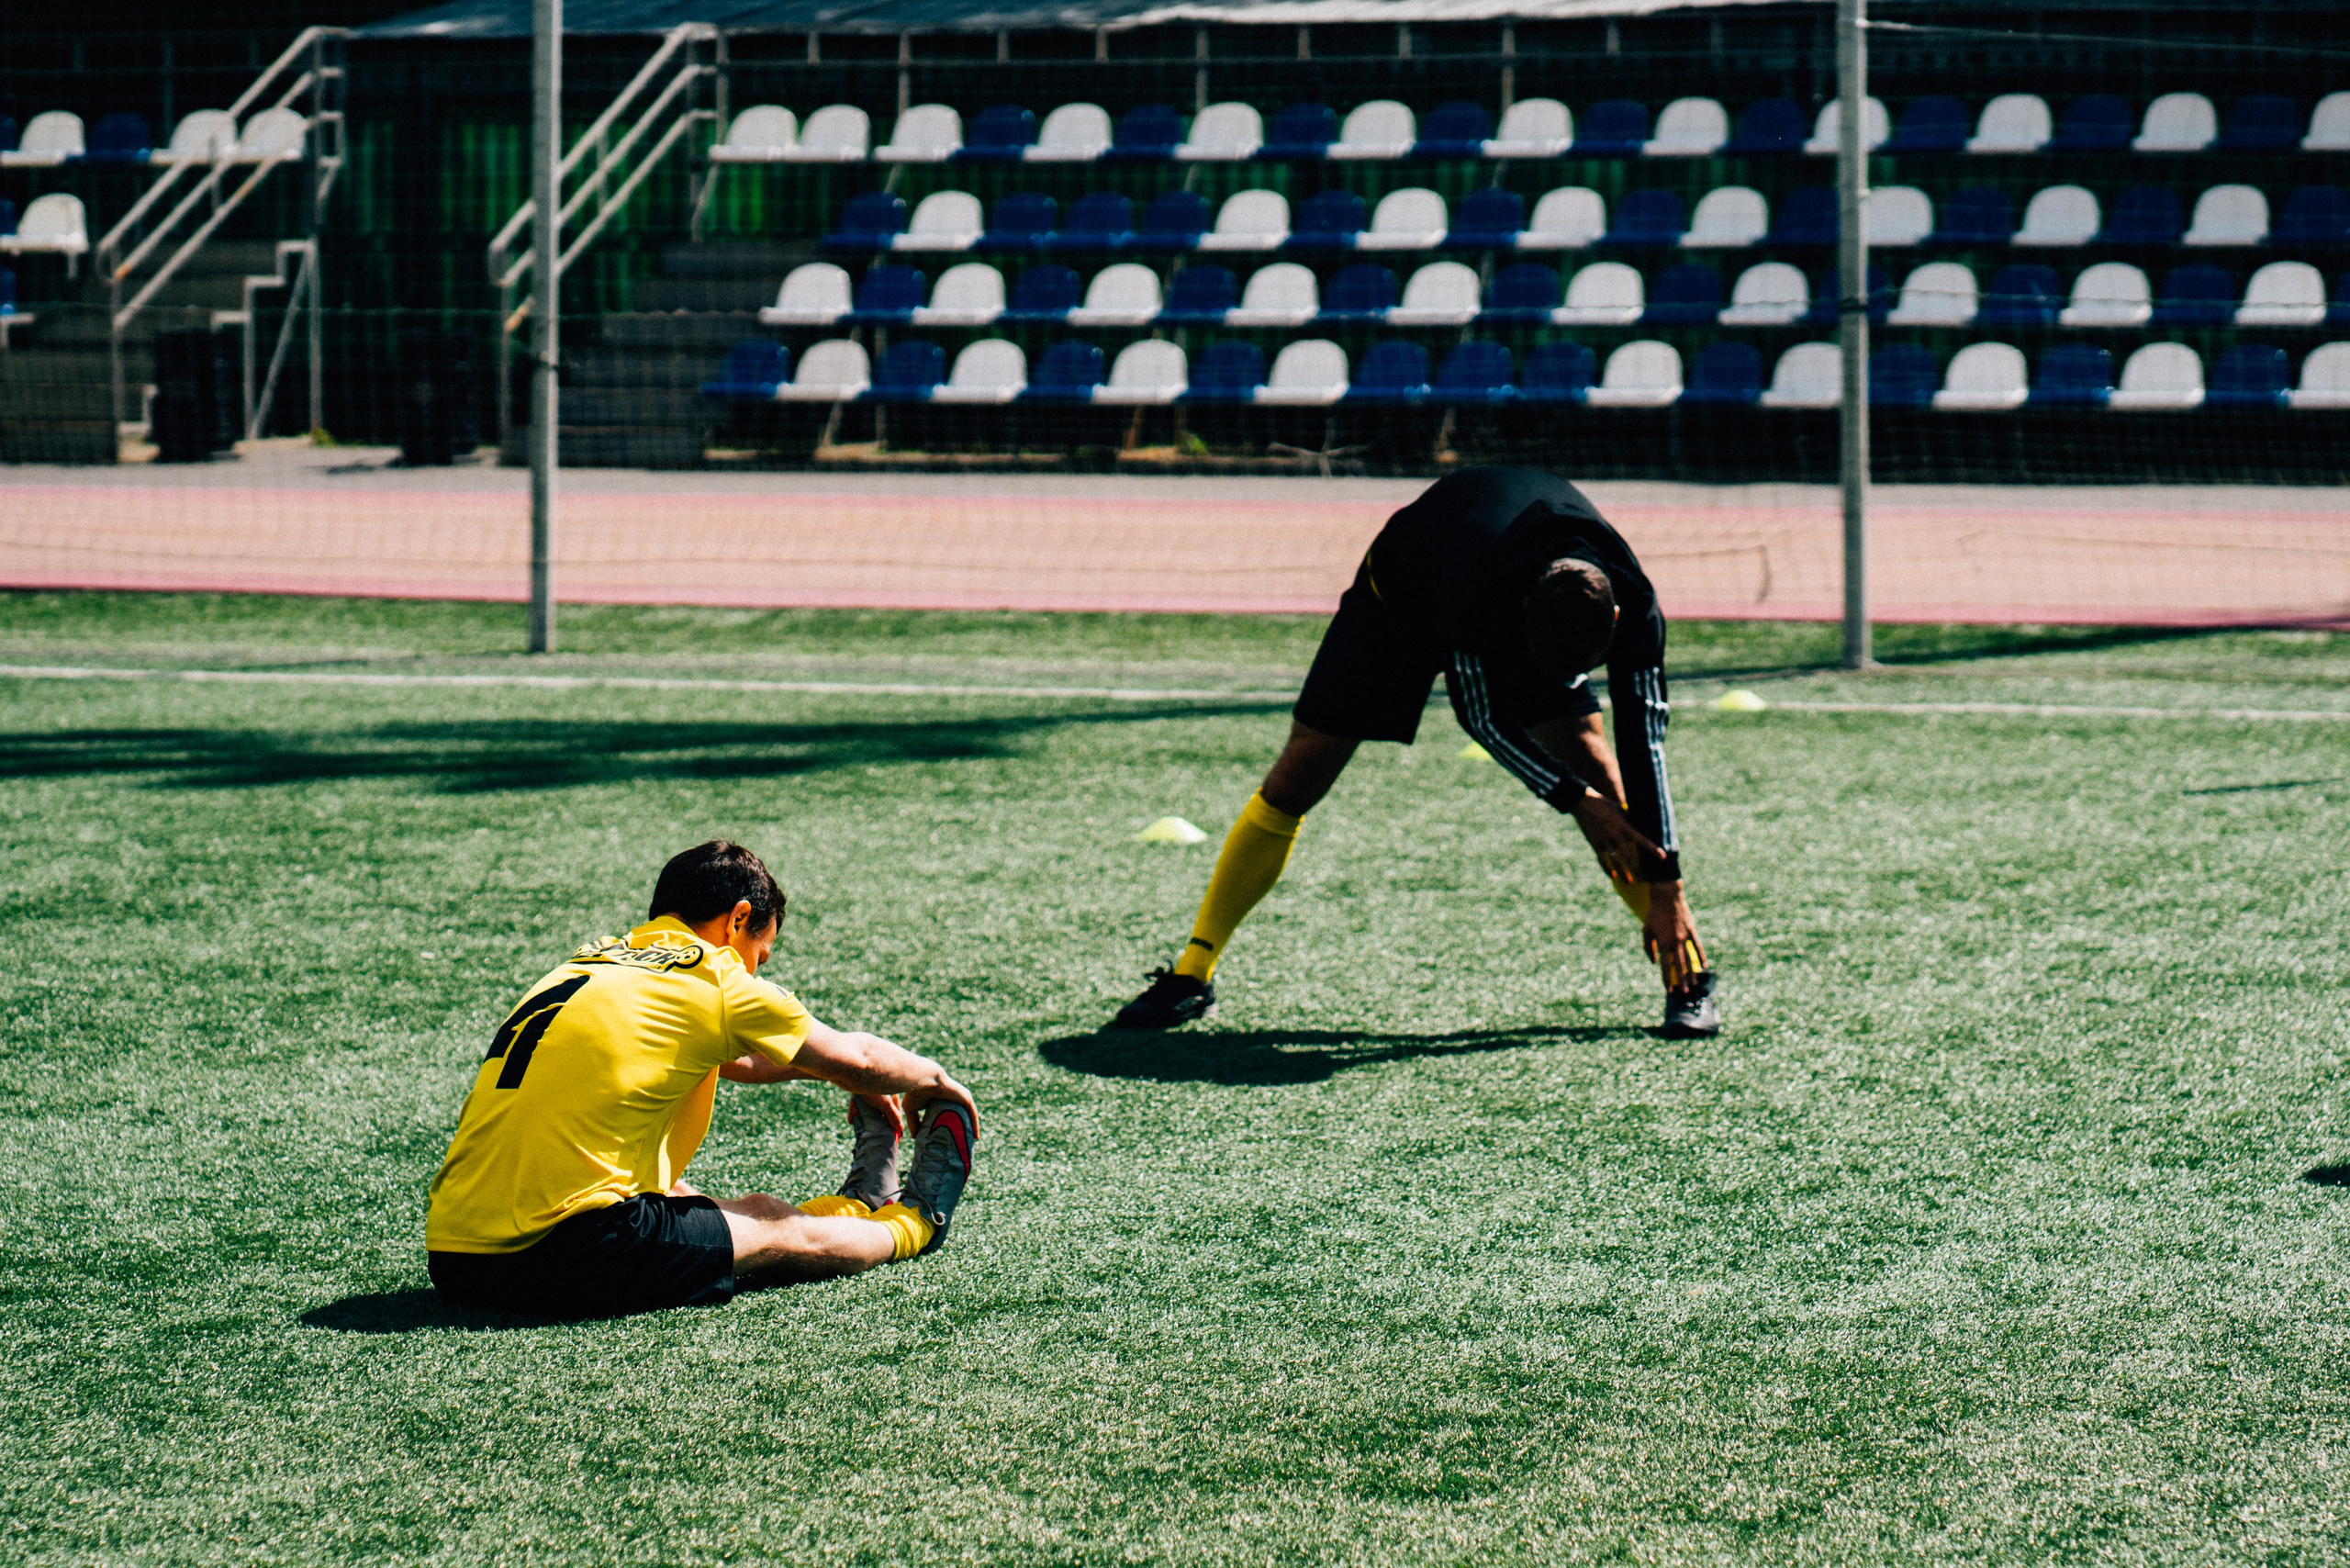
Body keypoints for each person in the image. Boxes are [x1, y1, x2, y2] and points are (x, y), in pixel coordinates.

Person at [1113, 465, 1719, 1037]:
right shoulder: (1479, 589)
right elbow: (1481, 718)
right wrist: (1571, 799)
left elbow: (1647, 738)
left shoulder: (1635, 604)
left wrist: (1668, 884)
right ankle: (1192, 971)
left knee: (1604, 779)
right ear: (1525, 613)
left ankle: (1687, 979)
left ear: (1614, 618)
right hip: (1397, 599)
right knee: (1298, 777)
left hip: (1510, 592)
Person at [426, 840, 978, 1316]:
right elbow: (855, 1057)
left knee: (687, 1200)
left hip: (455, 1256)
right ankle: (915, 1222)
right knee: (767, 1221)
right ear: (738, 919)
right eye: (760, 955)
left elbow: (739, 1061)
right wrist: (934, 1078)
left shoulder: (588, 963)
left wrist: (830, 1079)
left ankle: (858, 1203)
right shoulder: (708, 977)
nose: (757, 970)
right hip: (564, 1252)